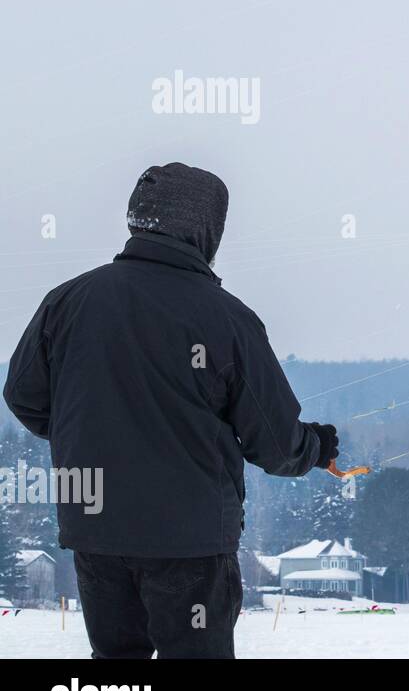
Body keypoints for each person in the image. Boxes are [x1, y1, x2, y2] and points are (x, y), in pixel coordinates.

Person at [2, 163, 339, 658]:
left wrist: (95, 431)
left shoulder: (69, 301)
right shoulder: (227, 318)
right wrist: (315, 447)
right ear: (207, 229)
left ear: (140, 219)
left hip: (96, 528)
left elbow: (23, 395)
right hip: (191, 543)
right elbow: (275, 443)